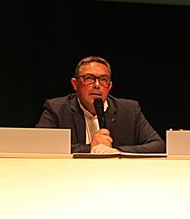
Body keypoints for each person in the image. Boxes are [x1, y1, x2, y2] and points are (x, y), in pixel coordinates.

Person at [35, 56, 165, 154]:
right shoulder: (56, 108)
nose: (97, 85)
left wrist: (116, 151)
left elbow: (158, 145)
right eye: (89, 78)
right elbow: (39, 145)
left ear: (109, 86)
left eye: (103, 80)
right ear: (75, 84)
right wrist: (89, 148)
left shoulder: (129, 110)